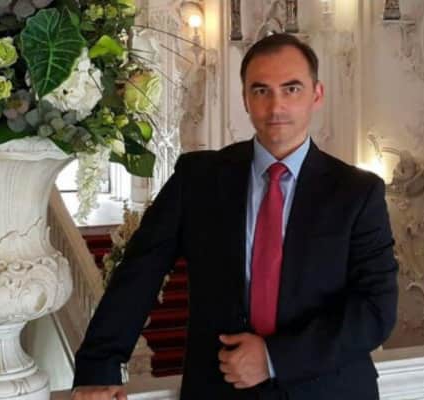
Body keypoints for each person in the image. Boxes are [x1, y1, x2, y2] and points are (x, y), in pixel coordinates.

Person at [71, 33, 398, 400]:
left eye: (291, 89)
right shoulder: (198, 178)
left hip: (328, 389)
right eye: (261, 91)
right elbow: (140, 271)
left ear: (316, 94)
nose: (276, 106)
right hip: (218, 389)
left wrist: (273, 358)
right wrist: (98, 367)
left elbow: (376, 309)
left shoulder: (357, 192)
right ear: (245, 98)